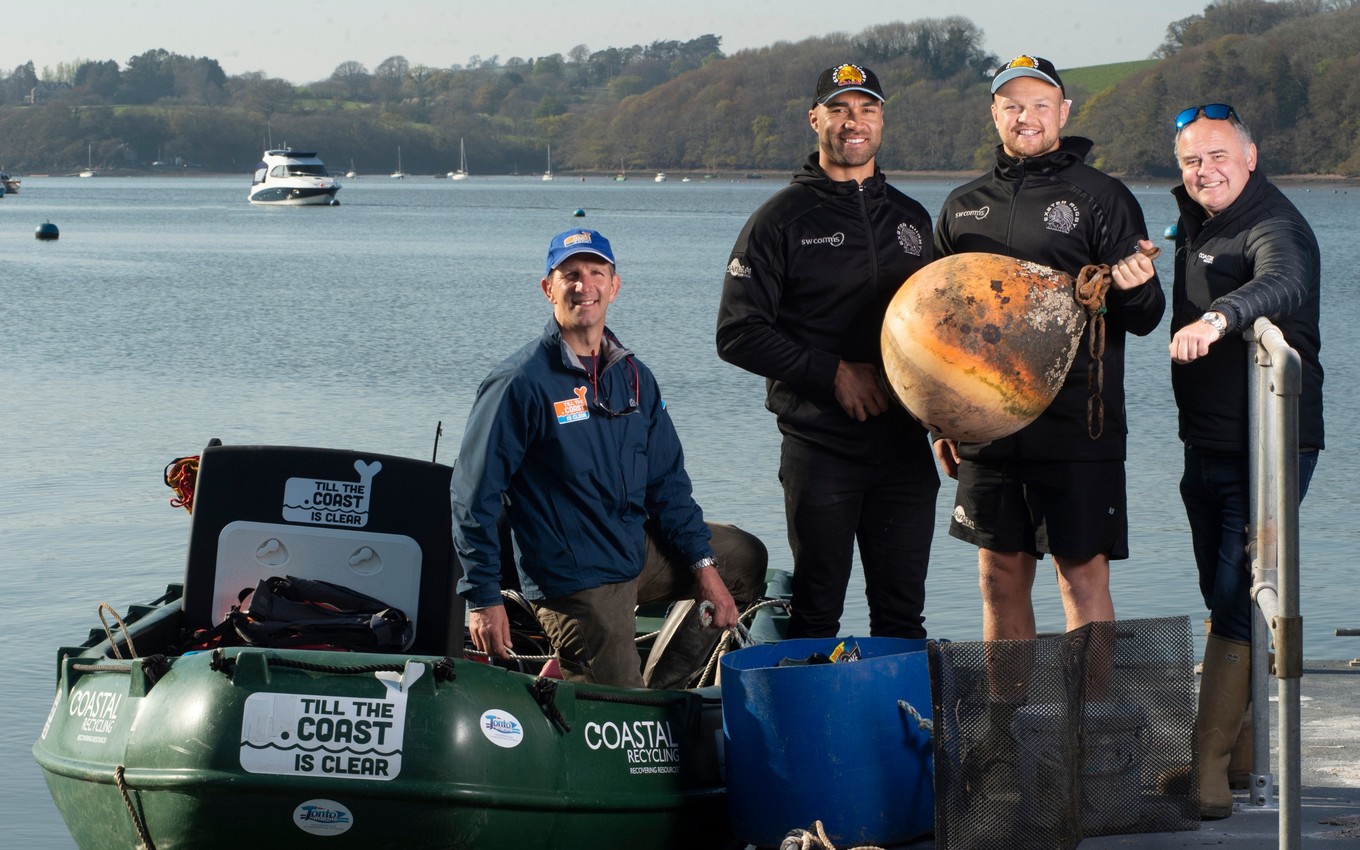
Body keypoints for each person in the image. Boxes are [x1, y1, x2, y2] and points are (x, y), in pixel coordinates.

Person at [452, 228, 766, 688]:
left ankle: (662, 694)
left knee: (742, 558)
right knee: (618, 707)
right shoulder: (519, 383)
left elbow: (669, 484)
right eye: (570, 275)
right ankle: (625, 703)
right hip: (575, 577)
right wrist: (482, 598)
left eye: (597, 273)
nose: (585, 286)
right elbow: (472, 495)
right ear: (548, 289)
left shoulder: (634, 377)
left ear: (614, 286)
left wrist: (704, 567)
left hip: (630, 551)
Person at [932, 55, 1163, 648]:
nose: (1025, 116)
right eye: (1011, 105)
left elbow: (1145, 317)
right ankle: (1004, 731)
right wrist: (938, 421)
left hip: (1078, 423)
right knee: (998, 576)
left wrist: (1135, 286)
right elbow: (935, 327)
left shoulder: (1102, 197)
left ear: (1063, 111)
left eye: (1039, 104)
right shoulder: (962, 205)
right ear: (993, 114)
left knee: (1080, 576)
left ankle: (1090, 734)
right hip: (987, 425)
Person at [716, 63, 939, 640]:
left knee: (901, 616)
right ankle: (817, 730)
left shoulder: (912, 219)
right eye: (838, 109)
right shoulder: (779, 220)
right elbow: (737, 332)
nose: (853, 122)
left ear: (882, 120)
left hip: (905, 452)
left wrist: (950, 422)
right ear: (815, 119)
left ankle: (902, 730)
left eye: (866, 109)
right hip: (821, 449)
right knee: (817, 613)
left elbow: (942, 334)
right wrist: (833, 372)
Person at [1168, 103, 1323, 818]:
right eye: (1192, 161)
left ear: (1251, 157)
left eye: (1219, 156)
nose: (1205, 170)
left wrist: (1220, 317)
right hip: (1206, 445)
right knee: (1219, 595)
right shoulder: (1199, 221)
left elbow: (1285, 281)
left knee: (1237, 600)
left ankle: (1206, 772)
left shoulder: (1274, 224)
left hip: (1270, 448)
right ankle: (1241, 748)